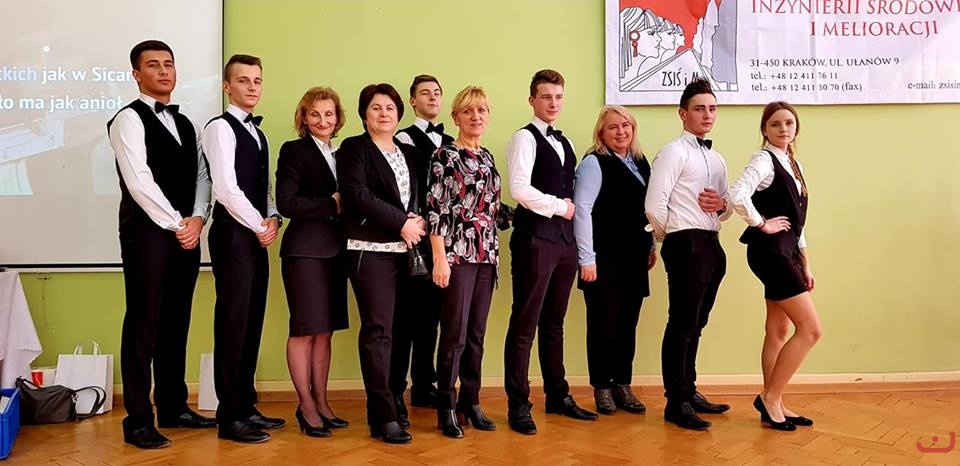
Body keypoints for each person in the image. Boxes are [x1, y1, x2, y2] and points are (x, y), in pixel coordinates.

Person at [107, 39, 215, 450]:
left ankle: (173, 406)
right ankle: (137, 420)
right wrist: (176, 223)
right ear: (137, 74)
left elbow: (202, 176)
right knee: (143, 323)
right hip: (147, 235)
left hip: (187, 232)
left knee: (176, 321)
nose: (164, 71)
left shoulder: (187, 123)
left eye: (168, 64)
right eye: (153, 65)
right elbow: (139, 180)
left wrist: (198, 218)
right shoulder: (127, 119)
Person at [504, 69, 598, 436]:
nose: (553, 103)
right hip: (535, 240)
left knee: (554, 322)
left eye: (558, 97)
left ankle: (557, 396)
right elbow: (519, 189)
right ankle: (518, 404)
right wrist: (561, 207)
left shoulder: (566, 140)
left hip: (564, 243)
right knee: (525, 322)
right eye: (546, 97)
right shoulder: (523, 138)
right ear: (532, 100)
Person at [337, 83, 426, 445]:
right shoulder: (353, 148)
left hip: (406, 251)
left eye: (390, 108)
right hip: (369, 250)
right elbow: (357, 195)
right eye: (376, 107)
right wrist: (402, 222)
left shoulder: (409, 151)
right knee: (378, 332)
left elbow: (418, 196)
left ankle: (395, 401)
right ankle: (382, 416)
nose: (384, 113)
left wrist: (417, 219)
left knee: (401, 331)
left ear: (399, 113)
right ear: (364, 114)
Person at [203, 54, 285, 443]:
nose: (252, 87)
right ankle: (229, 416)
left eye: (257, 80)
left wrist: (273, 217)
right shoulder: (219, 128)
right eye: (243, 80)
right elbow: (225, 188)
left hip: (255, 235)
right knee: (233, 324)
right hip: (233, 235)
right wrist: (258, 224)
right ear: (227, 86)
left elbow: (262, 187)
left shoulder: (259, 133)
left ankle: (246, 406)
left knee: (252, 321)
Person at [728, 101, 822, 431]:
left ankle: (775, 402)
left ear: (796, 128)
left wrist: (806, 264)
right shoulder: (764, 160)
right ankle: (770, 397)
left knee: (778, 331)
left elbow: (797, 223)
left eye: (789, 123)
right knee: (811, 330)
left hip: (787, 254)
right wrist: (761, 223)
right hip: (770, 254)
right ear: (765, 130)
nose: (783, 129)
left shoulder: (792, 164)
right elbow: (737, 194)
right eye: (775, 124)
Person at [644, 78, 732, 431]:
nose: (707, 115)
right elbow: (654, 205)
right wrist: (672, 237)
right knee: (681, 324)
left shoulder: (717, 158)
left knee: (697, 324)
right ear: (683, 114)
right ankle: (675, 402)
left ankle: (689, 390)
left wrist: (722, 205)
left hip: (712, 243)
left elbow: (727, 207)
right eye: (699, 109)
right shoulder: (672, 152)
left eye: (712, 108)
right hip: (686, 243)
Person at [426, 86, 504, 439]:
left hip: (487, 256)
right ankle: (446, 405)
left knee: (476, 335)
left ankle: (471, 401)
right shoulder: (444, 155)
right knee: (454, 335)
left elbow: (490, 208)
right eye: (468, 111)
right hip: (457, 257)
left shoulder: (487, 156)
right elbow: (437, 210)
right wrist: (439, 259)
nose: (476, 117)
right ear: (456, 117)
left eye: (482, 110)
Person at [275, 86, 351, 438]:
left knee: (324, 331)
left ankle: (322, 402)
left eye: (329, 114)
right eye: (315, 114)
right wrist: (332, 203)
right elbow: (287, 203)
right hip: (304, 252)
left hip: (337, 252)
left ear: (338, 118)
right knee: (304, 330)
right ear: (304, 118)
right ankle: (305, 405)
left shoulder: (345, 153)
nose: (323, 120)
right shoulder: (294, 151)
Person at [573, 105, 654, 416]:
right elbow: (582, 211)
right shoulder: (594, 163)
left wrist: (651, 245)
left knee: (627, 324)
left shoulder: (640, 162)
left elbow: (647, 209)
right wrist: (586, 258)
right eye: (613, 127)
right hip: (603, 258)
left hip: (635, 257)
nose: (621, 132)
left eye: (625, 126)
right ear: (601, 133)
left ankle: (622, 383)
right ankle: (602, 386)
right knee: (602, 324)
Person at [394, 74, 453, 408]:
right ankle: (396, 388)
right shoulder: (403, 138)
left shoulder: (451, 140)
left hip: (443, 241)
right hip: (414, 238)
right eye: (425, 93)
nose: (432, 97)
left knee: (433, 317)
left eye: (437, 93)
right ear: (413, 101)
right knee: (407, 318)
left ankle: (423, 384)